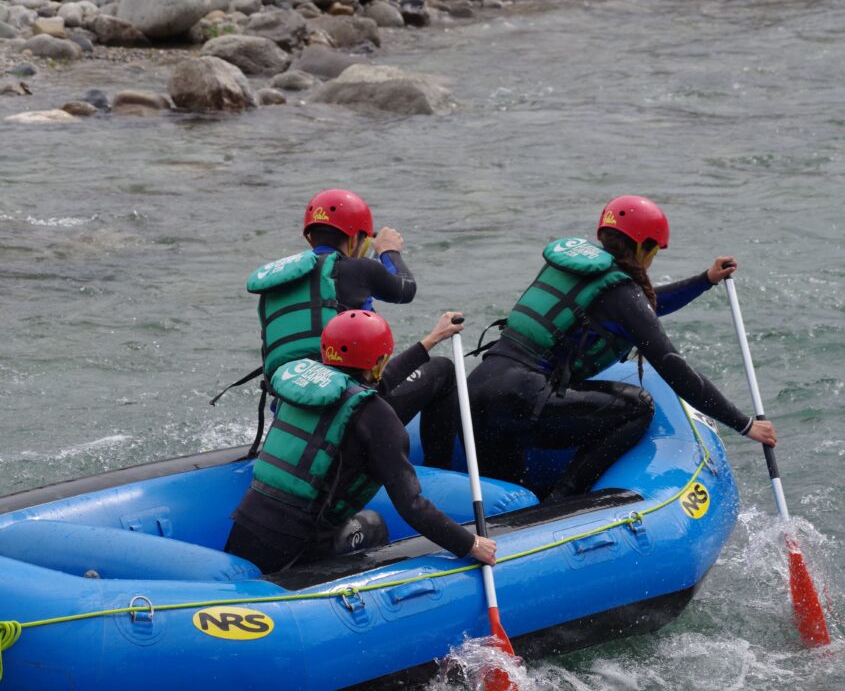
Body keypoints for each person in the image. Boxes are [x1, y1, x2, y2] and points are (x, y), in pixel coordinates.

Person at [467, 195, 778, 501]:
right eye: (655, 249)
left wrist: (705, 280)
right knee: (637, 407)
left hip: (478, 392)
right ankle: (564, 500)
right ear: (643, 247)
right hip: (522, 401)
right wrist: (745, 424)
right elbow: (674, 367)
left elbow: (641, 307)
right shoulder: (619, 293)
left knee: (506, 497)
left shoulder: (581, 273)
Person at [225, 309, 497, 573]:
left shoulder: (307, 389)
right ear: (378, 362)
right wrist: (470, 543)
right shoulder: (378, 418)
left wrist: (432, 339)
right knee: (373, 523)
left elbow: (369, 383)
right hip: (299, 550)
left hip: (245, 529)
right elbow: (412, 505)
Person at [246, 188, 460, 466]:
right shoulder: (361, 269)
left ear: (309, 236)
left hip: (291, 413)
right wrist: (388, 251)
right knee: (442, 370)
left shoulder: (275, 287)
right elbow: (405, 289)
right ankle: (439, 472)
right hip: (352, 416)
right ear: (353, 238)